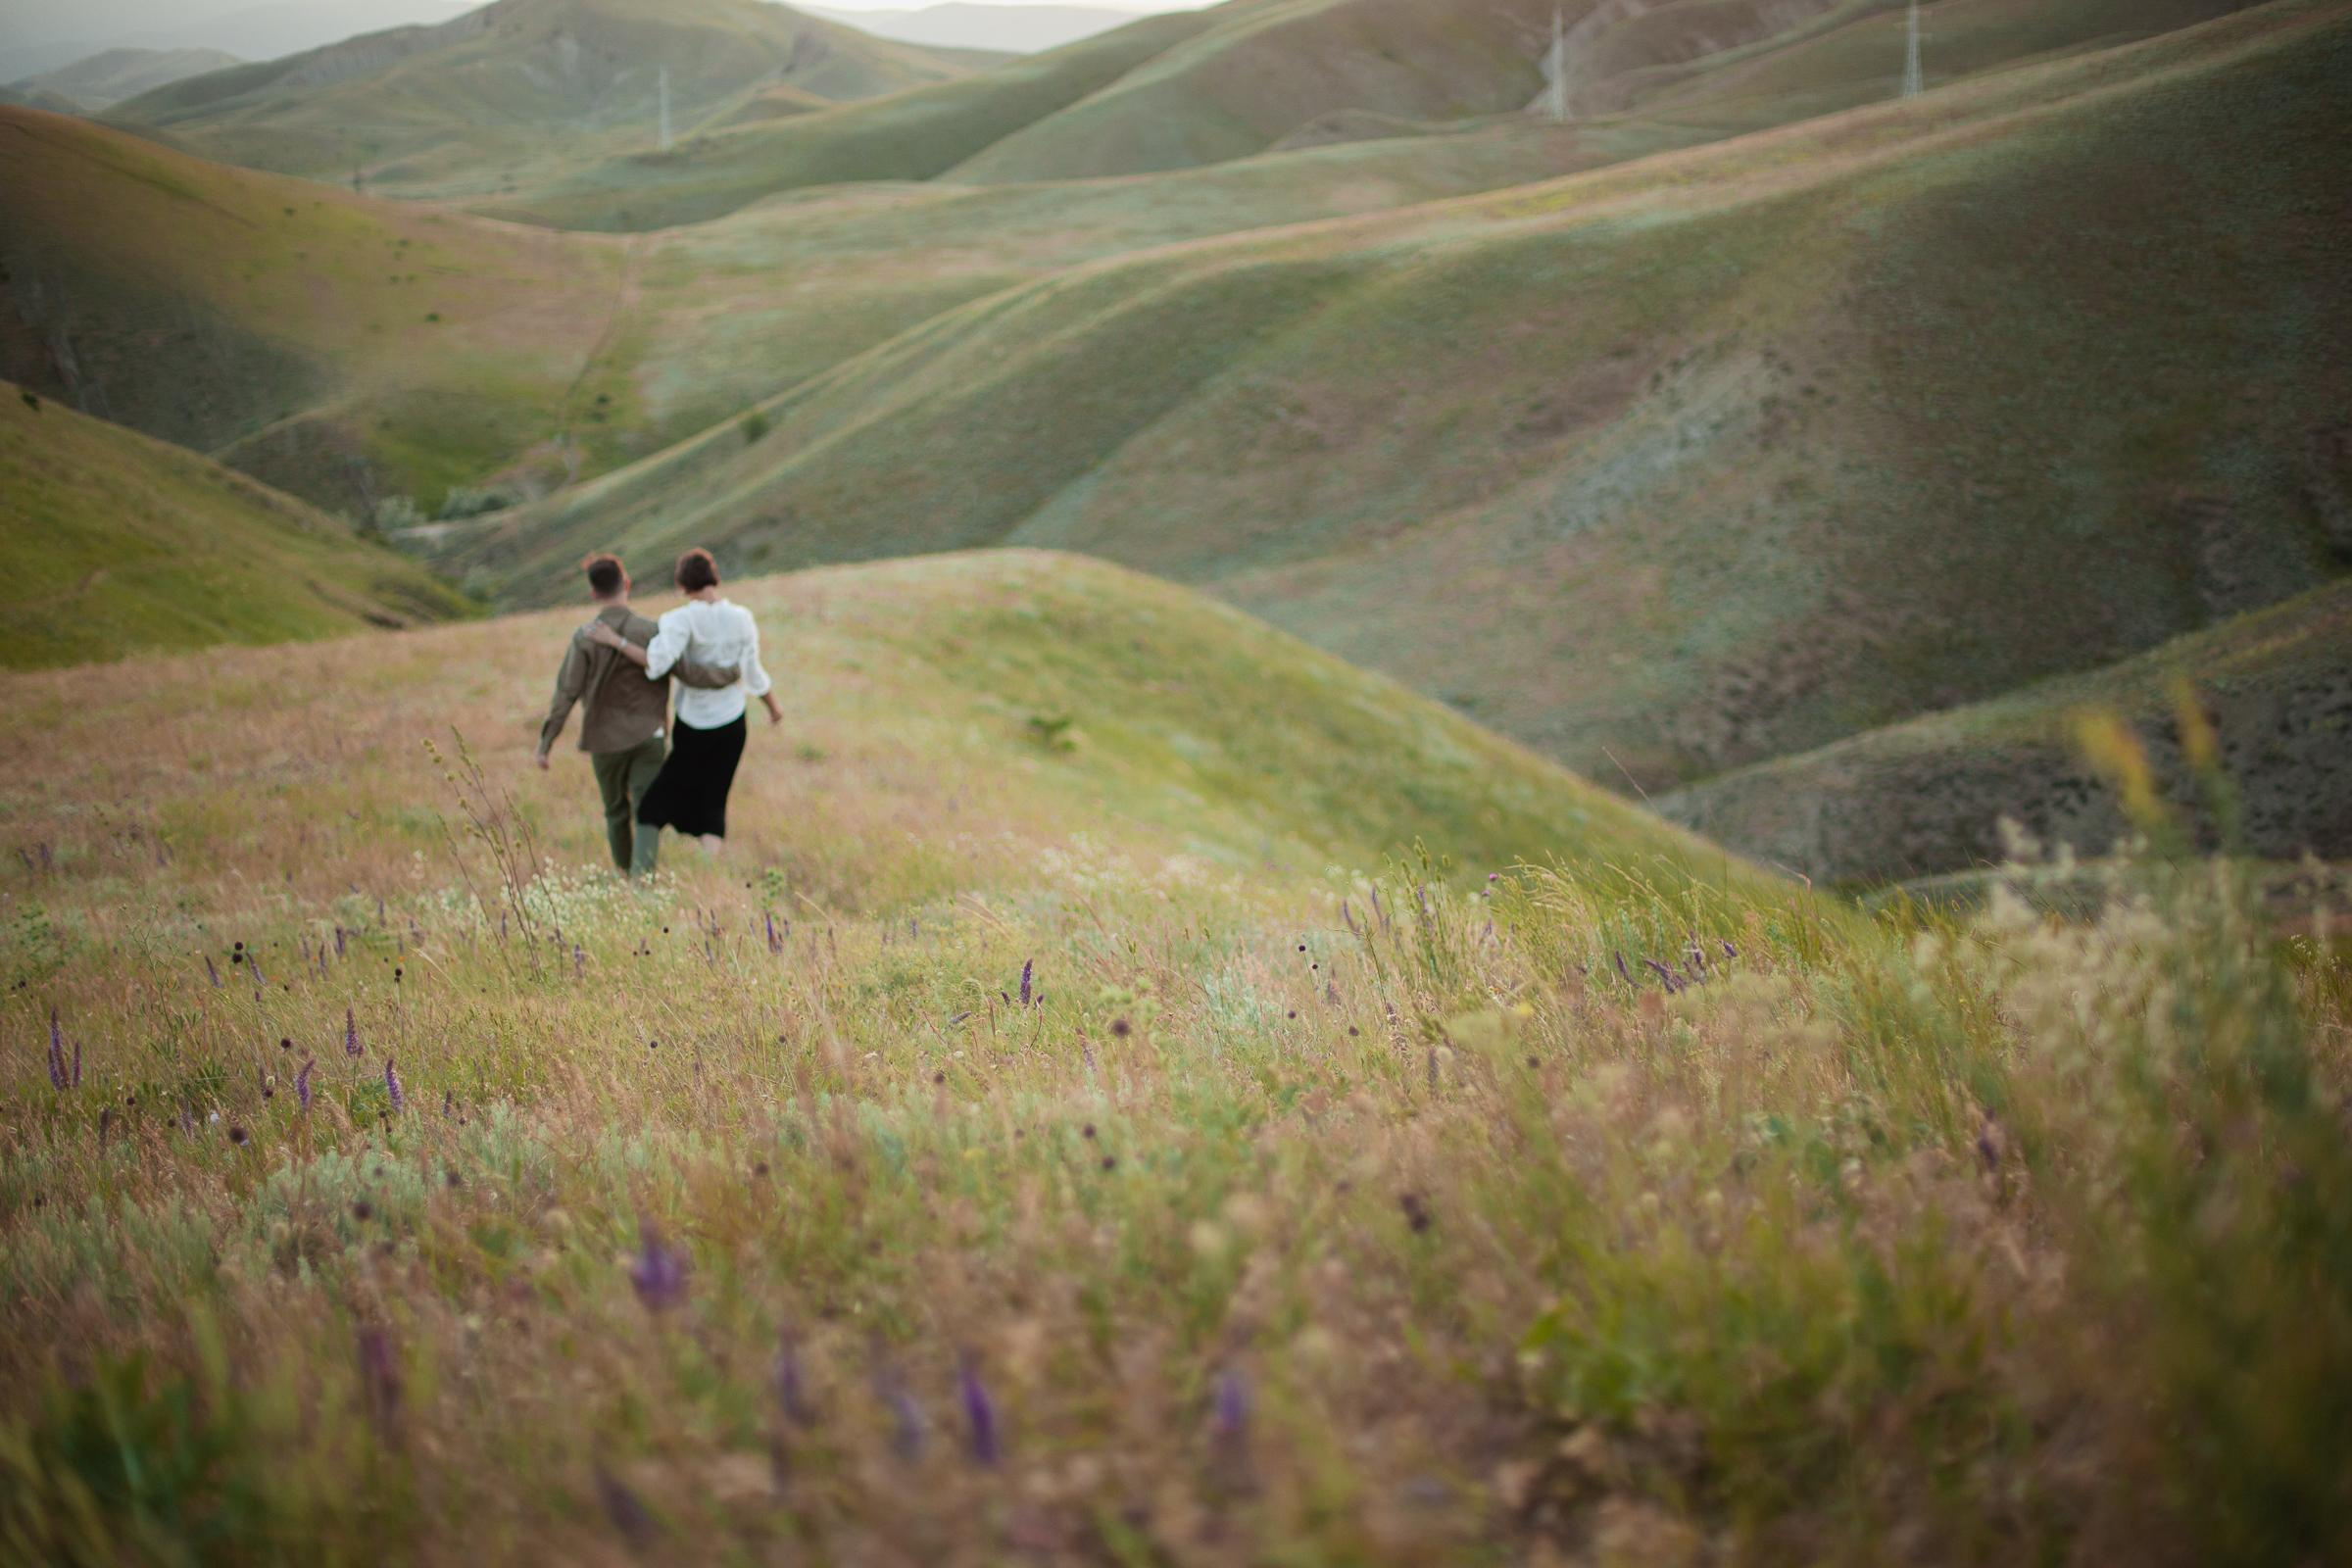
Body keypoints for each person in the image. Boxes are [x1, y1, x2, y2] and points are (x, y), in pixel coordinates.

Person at [537, 553, 738, 877]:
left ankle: (622, 874)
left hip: (604, 741)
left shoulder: (584, 637)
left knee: (615, 811)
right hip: (648, 736)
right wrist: (730, 673)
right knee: (647, 808)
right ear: (627, 584)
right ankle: (642, 882)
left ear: (593, 593)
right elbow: (688, 673)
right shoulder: (651, 631)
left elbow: (566, 693)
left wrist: (546, 743)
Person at [590, 547, 779, 852]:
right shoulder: (742, 618)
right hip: (733, 723)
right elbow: (754, 674)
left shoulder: (680, 620)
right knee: (715, 799)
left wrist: (616, 641)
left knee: (654, 804)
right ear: (714, 577)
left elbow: (656, 663)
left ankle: (642, 869)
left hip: (694, 725)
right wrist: (774, 709)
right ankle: (708, 866)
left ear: (681, 585)